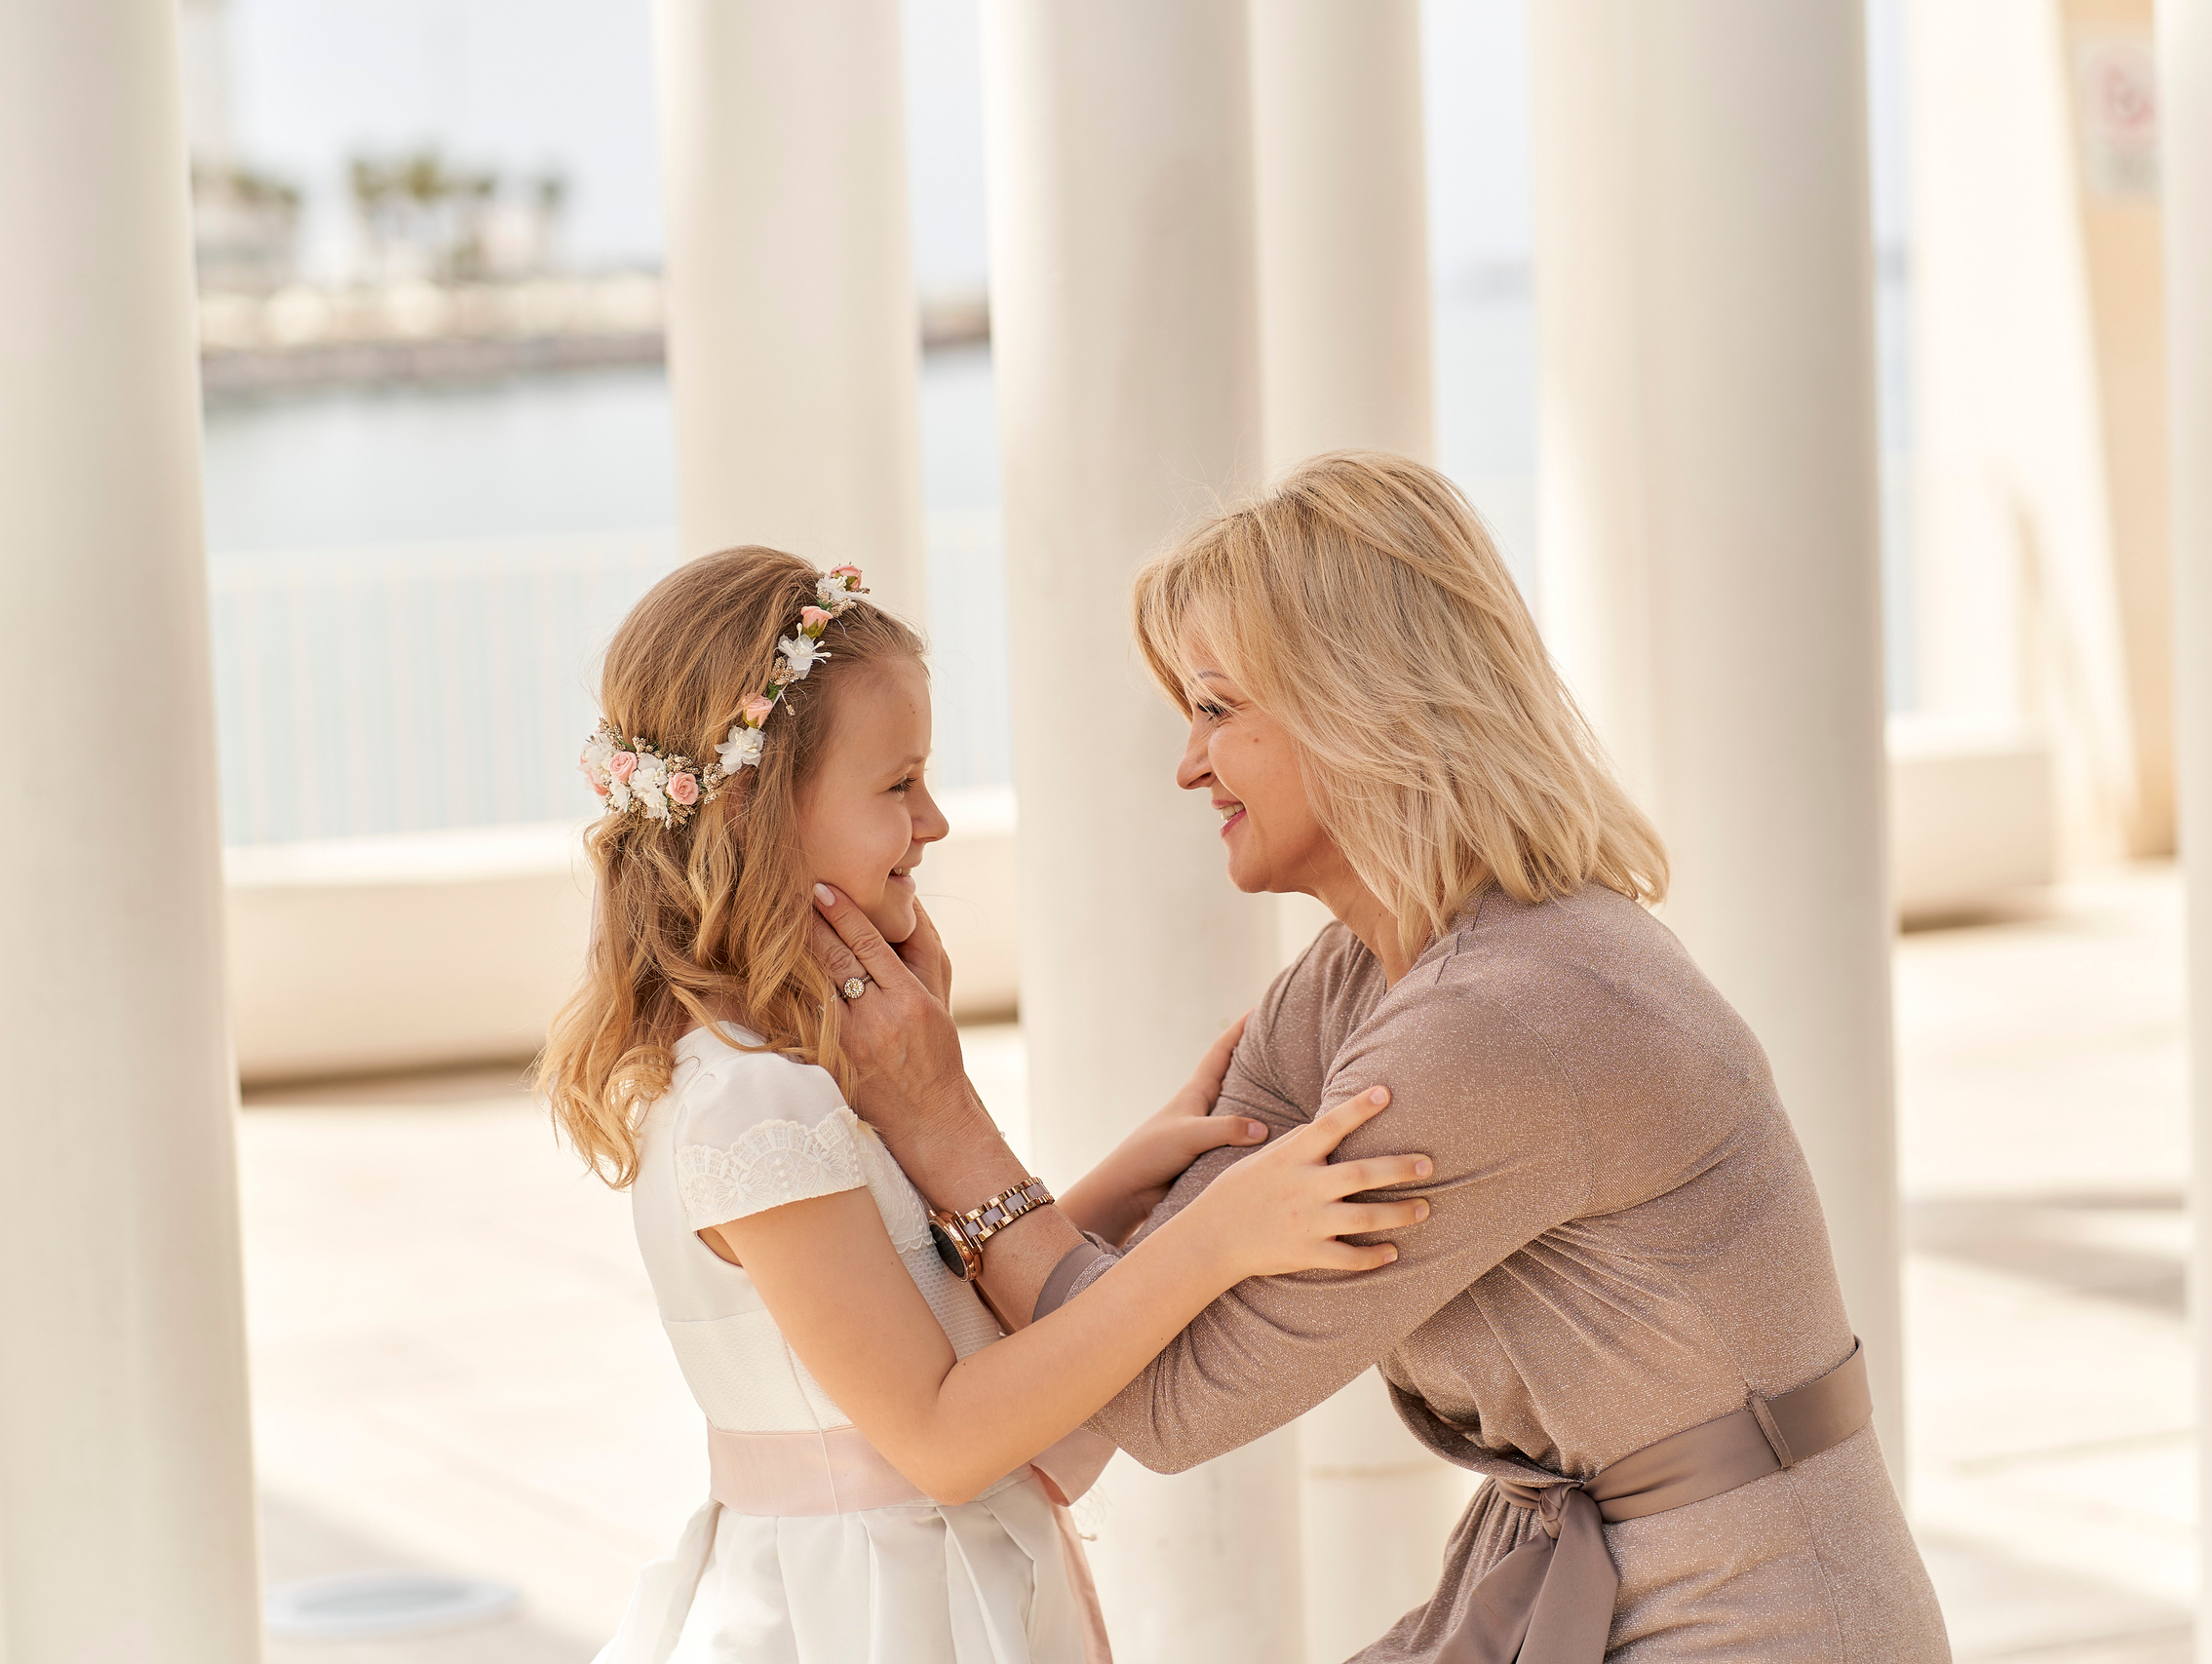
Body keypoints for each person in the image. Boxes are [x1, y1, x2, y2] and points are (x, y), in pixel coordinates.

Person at [808, 454, 1953, 1661]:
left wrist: (941, 1123)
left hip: (1757, 1616)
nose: (1187, 765)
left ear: (1355, 703)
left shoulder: (1498, 1021)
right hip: (1605, 1589)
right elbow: (1133, 1309)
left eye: (1214, 710)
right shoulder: (1362, 973)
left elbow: (1161, 1400)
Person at [541, 545, 1430, 1664]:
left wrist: (1119, 1189)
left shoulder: (788, 1068)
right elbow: (942, 1436)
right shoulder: (751, 1104)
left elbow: (919, 1289)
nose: (935, 820)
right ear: (757, 810)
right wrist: (1218, 1236)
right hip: (877, 1617)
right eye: (897, 785)